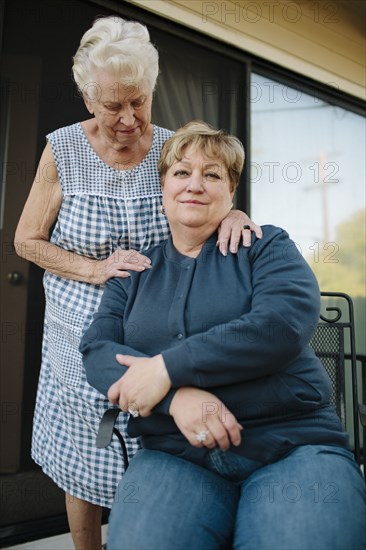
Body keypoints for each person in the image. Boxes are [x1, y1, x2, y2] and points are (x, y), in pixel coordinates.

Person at [14, 16, 260, 550]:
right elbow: (27, 240)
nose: (129, 119)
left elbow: (204, 195)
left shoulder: (173, 149)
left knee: (158, 450)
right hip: (78, 338)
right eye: (112, 104)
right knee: (84, 457)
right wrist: (95, 269)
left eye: (139, 100)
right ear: (86, 97)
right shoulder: (62, 150)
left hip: (159, 332)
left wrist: (235, 217)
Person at [81, 120, 366, 550]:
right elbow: (98, 351)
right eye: (181, 172)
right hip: (176, 454)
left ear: (230, 192)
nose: (195, 184)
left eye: (211, 174)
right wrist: (174, 397)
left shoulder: (266, 246)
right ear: (162, 189)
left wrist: (166, 368)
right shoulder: (134, 272)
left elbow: (280, 324)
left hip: (290, 446)